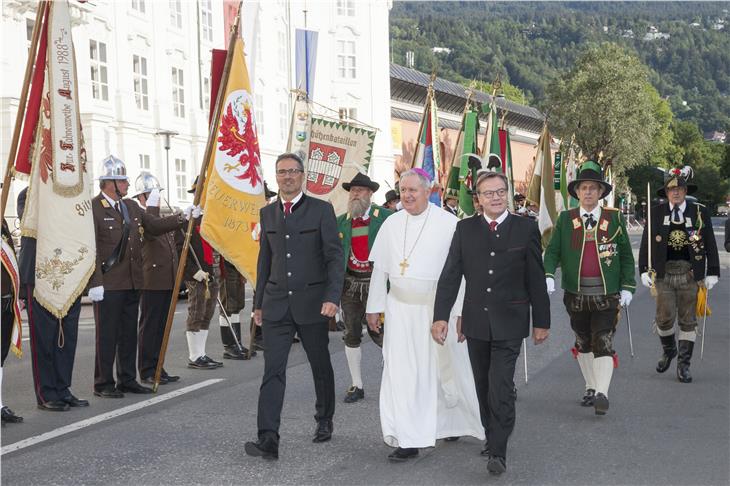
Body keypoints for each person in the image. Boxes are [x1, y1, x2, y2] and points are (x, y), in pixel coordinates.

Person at [434, 170, 550, 475]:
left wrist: (542, 321)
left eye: (500, 192)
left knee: (500, 386)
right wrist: (441, 316)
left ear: (507, 194)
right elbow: (450, 276)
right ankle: (491, 430)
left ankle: (498, 450)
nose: (496, 198)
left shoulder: (526, 228)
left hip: (511, 321)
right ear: (478, 199)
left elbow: (536, 279)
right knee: (483, 385)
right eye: (489, 193)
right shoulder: (465, 229)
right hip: (475, 322)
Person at [365, 168, 484, 463]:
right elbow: (380, 270)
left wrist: (458, 313)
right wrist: (374, 307)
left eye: (412, 190)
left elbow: (461, 274)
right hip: (400, 311)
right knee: (403, 374)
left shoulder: (448, 223)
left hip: (438, 310)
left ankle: (455, 423)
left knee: (449, 369)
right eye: (402, 190)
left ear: (428, 191)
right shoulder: (391, 224)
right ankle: (409, 437)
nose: (406, 195)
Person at [245, 153, 344, 460]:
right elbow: (266, 261)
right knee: (272, 371)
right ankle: (268, 437)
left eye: (292, 171)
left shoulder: (321, 210)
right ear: (276, 177)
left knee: (320, 365)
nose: (287, 177)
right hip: (276, 305)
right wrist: (258, 303)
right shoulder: (268, 213)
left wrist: (332, 297)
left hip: (313, 304)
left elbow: (334, 257)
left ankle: (324, 418)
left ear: (302, 175)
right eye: (281, 172)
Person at [89, 155, 185, 398]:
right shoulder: (94, 208)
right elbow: (92, 248)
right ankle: (103, 383)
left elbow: (152, 226)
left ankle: (127, 379)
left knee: (128, 334)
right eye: (123, 181)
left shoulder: (130, 207)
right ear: (109, 182)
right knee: (107, 335)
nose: (127, 185)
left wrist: (182, 218)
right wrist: (95, 282)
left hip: (133, 281)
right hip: (110, 284)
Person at [544, 161, 635, 414]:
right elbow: (552, 252)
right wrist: (549, 274)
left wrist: (628, 287)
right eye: (583, 188)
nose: (587, 193)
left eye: (593, 188)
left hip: (606, 295)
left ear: (601, 192)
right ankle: (592, 386)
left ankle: (602, 393)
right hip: (576, 294)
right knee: (583, 341)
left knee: (603, 340)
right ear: (577, 192)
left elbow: (626, 256)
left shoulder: (614, 218)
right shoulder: (566, 219)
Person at [638, 166, 720, 383]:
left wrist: (712, 271)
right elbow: (646, 244)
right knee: (664, 319)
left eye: (680, 189)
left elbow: (710, 243)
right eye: (671, 190)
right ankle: (669, 351)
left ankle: (684, 365)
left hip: (690, 273)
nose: (675, 193)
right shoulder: (656, 213)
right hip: (664, 274)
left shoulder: (699, 212)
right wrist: (644, 270)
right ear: (666, 193)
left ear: (685, 191)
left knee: (688, 320)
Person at [16, 188, 88, 411]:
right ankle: (46, 393)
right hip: (39, 274)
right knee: (44, 339)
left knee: (67, 337)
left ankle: (63, 388)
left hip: (67, 273)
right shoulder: (29, 194)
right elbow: (33, 222)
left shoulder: (68, 194)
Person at [335, 172, 392, 403]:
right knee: (351, 334)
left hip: (377, 284)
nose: (355, 194)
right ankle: (356, 384)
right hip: (350, 284)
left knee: (385, 335)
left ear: (370, 194)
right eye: (352, 191)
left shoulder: (386, 218)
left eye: (360, 190)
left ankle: (394, 381)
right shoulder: (341, 221)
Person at [133, 172, 181, 385]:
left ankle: (158, 365)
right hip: (152, 281)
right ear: (142, 198)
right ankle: (147, 370)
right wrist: (152, 207)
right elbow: (151, 230)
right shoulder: (142, 216)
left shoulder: (159, 216)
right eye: (152, 195)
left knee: (162, 327)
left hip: (166, 280)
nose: (157, 198)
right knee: (150, 327)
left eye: (157, 194)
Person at [182, 177, 223, 370]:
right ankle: (194, 355)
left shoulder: (214, 218)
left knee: (207, 313)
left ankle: (202, 353)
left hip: (213, 272)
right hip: (197, 275)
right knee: (196, 312)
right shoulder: (188, 220)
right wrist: (193, 271)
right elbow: (179, 249)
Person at [1, 217, 23, 423]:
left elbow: (12, 257)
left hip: (6, 299)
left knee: (0, 356)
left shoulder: (2, 221)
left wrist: (18, 294)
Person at [218, 258, 251, 360]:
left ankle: (237, 342)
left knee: (237, 305)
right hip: (226, 263)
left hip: (237, 263)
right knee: (228, 306)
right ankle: (229, 346)